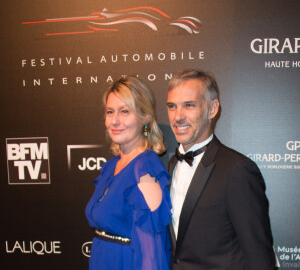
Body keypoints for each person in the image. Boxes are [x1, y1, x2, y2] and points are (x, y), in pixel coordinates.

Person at [166, 69, 275, 269]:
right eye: (172, 107)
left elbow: (259, 255)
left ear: (212, 109)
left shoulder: (237, 170)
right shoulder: (172, 164)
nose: (178, 116)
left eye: (189, 106)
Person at [85, 76, 171, 270]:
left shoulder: (145, 168)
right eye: (110, 112)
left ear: (146, 116)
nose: (115, 120)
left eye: (125, 111)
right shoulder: (112, 165)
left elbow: (153, 249)